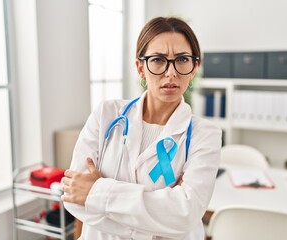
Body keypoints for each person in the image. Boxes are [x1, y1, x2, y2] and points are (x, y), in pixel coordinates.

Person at [62, 16, 221, 239]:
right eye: (158, 59)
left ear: (194, 67)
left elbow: (185, 214)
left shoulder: (204, 135)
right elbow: (73, 195)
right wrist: (157, 219)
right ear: (140, 68)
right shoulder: (106, 115)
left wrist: (96, 192)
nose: (171, 72)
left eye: (182, 59)